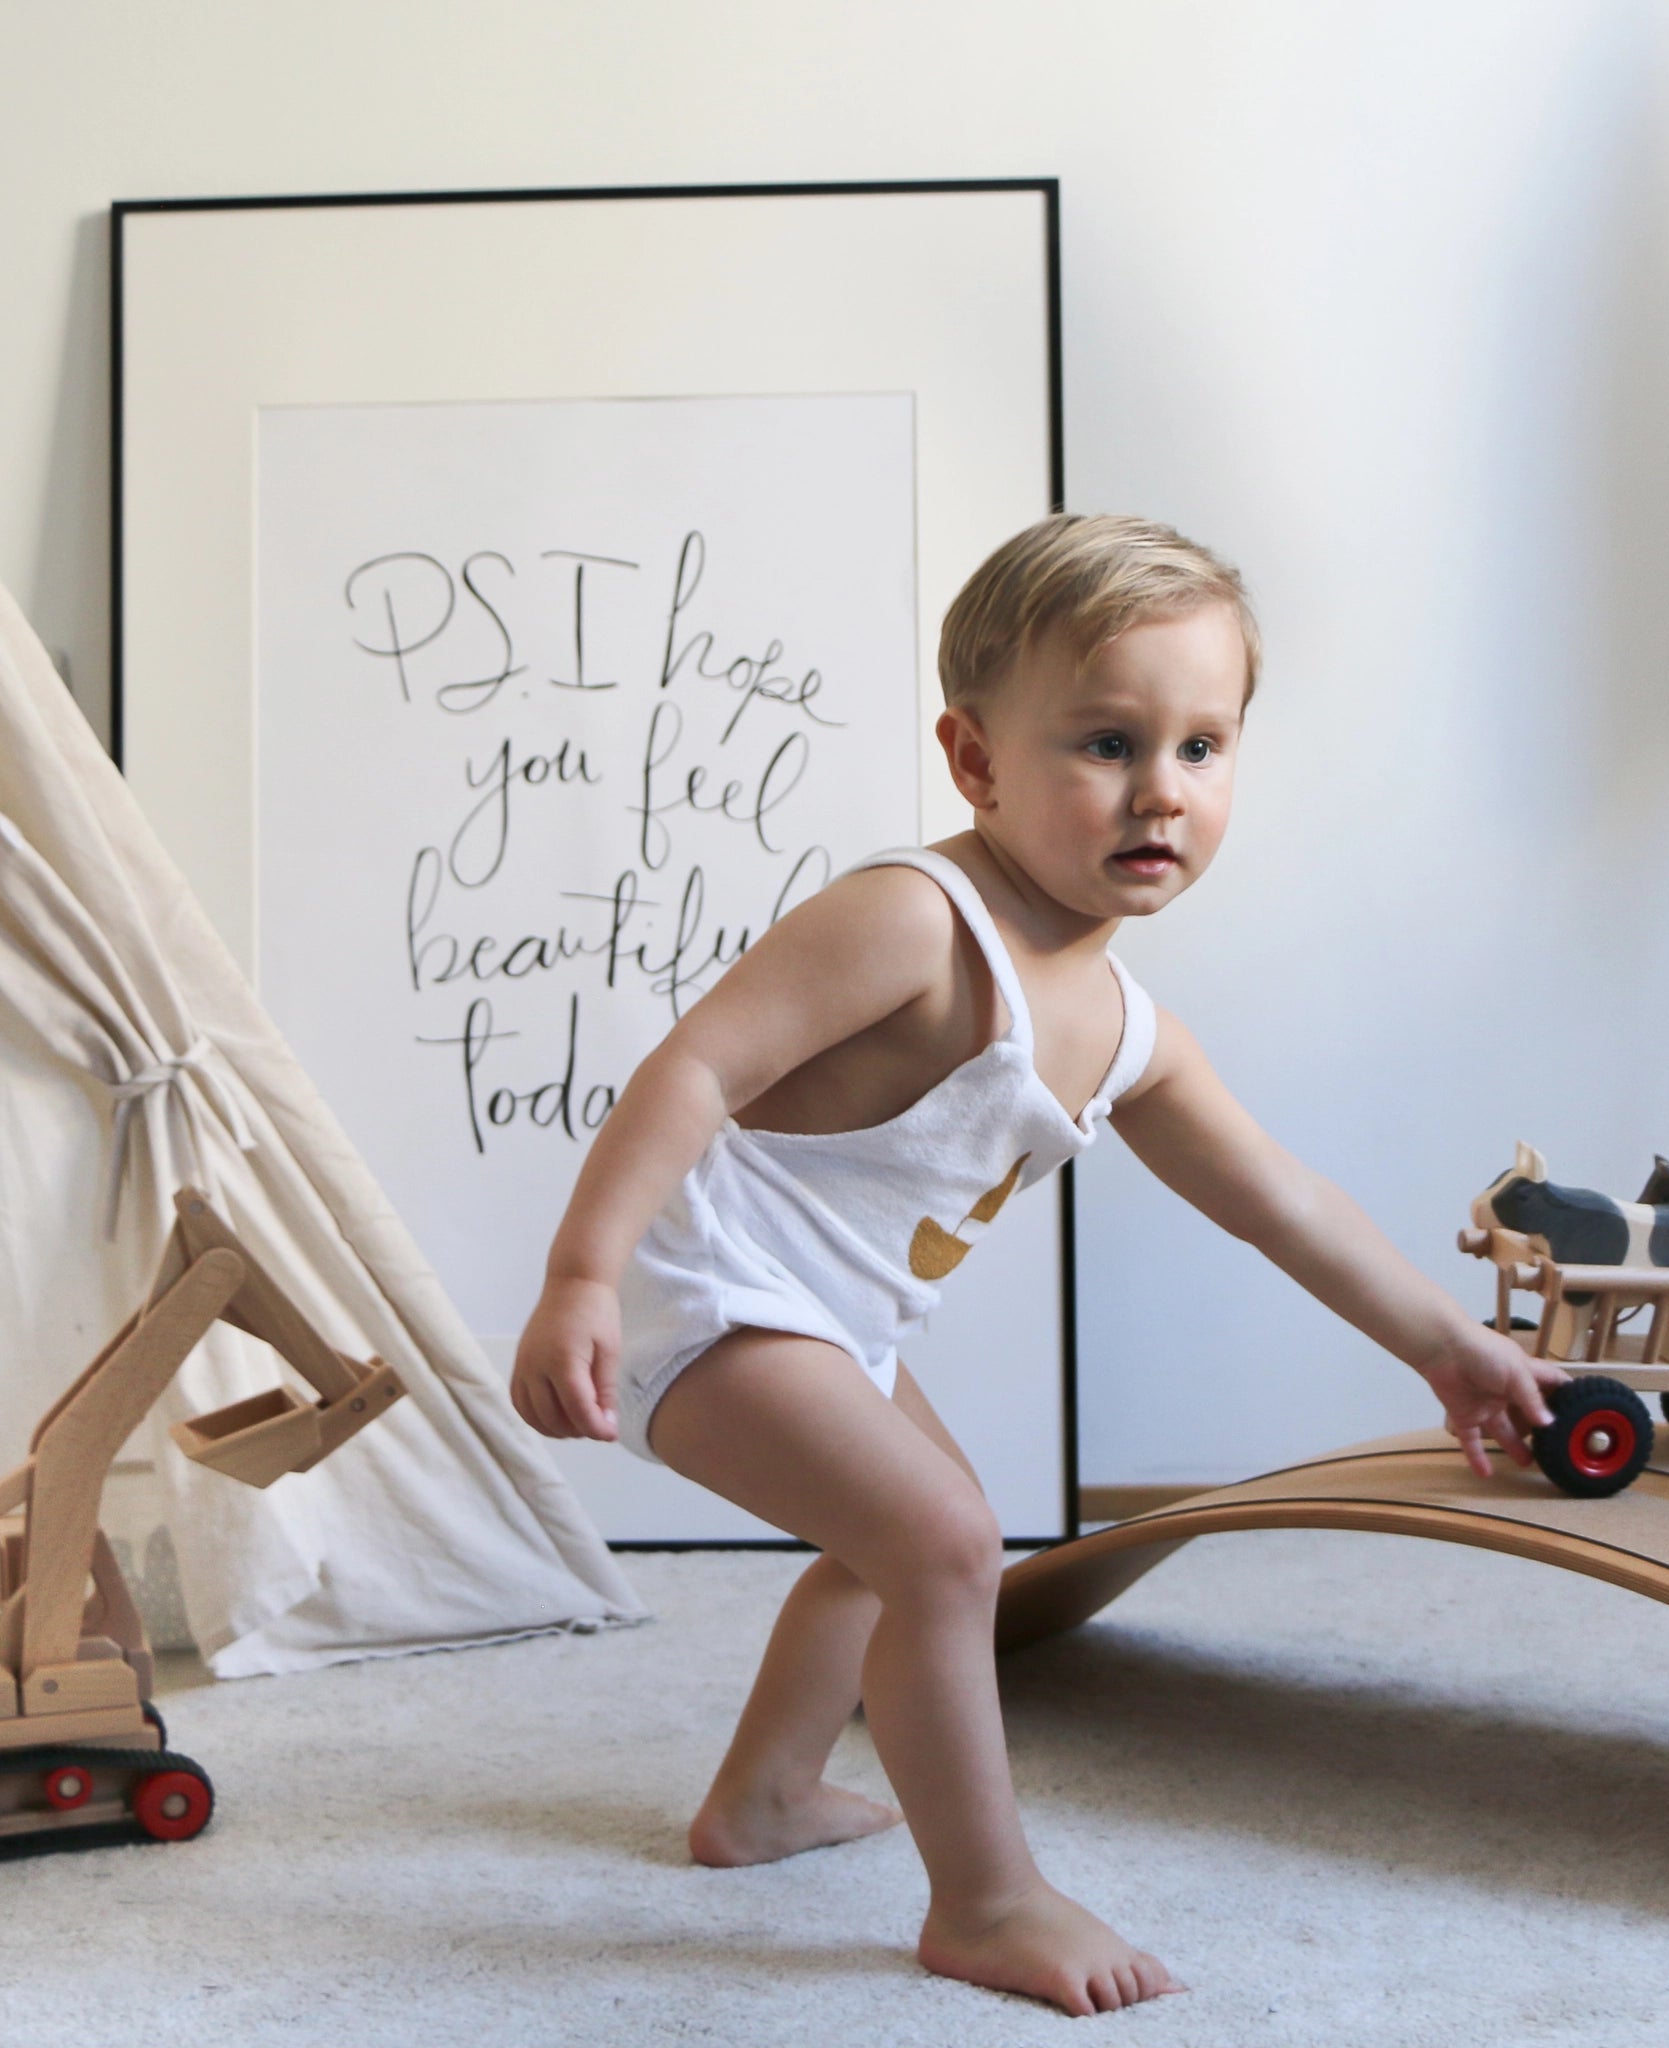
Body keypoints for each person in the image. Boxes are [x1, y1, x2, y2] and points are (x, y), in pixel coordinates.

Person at [511, 512, 1567, 2018]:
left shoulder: (1133, 1029)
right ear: (974, 758)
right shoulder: (910, 923)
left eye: (1203, 748)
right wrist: (582, 1277)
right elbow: (690, 1070)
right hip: (709, 1286)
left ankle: (761, 1798)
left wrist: (1441, 1343)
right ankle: (987, 1898)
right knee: (938, 1540)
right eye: (1106, 743)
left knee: (919, 1547)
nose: (1161, 793)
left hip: (830, 1317)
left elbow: (1279, 1199)